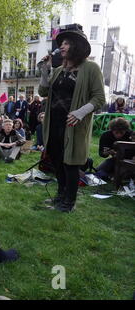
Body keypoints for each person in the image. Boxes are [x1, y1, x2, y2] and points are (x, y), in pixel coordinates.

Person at [38, 28, 105, 212]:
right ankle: (60, 196)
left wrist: (80, 113)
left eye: (66, 43)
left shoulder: (91, 68)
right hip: (54, 123)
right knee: (57, 161)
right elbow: (43, 92)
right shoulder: (59, 70)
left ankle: (69, 202)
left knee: (71, 163)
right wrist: (46, 70)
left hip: (74, 124)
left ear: (76, 46)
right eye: (62, 43)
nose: (62, 46)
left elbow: (99, 98)